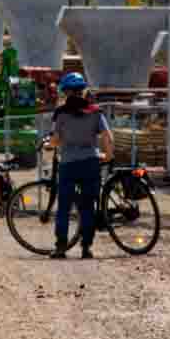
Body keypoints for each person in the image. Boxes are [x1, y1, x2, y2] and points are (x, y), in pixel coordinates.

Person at [43, 73, 112, 259]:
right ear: (83, 91)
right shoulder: (96, 112)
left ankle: (61, 247)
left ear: (66, 92)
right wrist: (107, 156)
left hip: (68, 164)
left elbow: (56, 140)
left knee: (64, 206)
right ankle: (86, 248)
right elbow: (108, 136)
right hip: (90, 162)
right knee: (87, 206)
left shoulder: (61, 113)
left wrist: (50, 145)